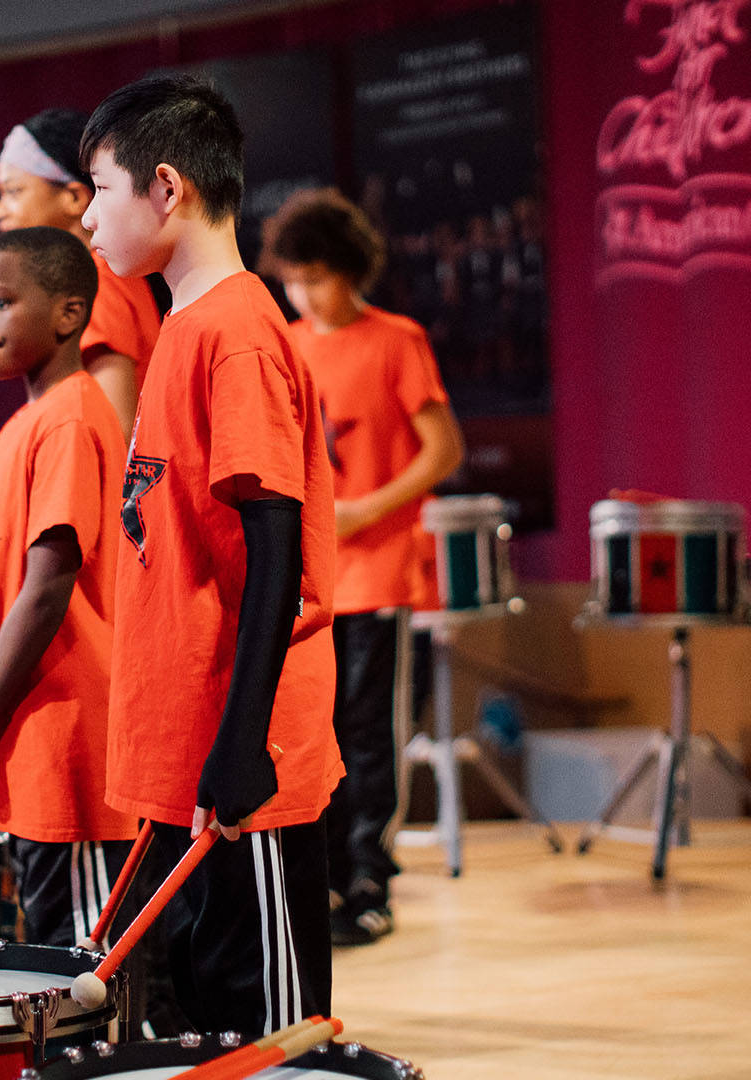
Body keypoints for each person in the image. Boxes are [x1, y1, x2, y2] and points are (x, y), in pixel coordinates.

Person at [79, 73, 342, 1035]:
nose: (89, 221)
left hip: (248, 762)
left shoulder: (235, 333)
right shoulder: (186, 327)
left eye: (97, 191)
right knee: (206, 1021)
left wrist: (242, 741)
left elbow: (279, 542)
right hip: (192, 747)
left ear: (165, 188)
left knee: (269, 1040)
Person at [0, 227, 139, 946]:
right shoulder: (26, 423)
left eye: (3, 301)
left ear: (69, 314)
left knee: (83, 984)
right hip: (30, 747)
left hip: (66, 747)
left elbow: (48, 588)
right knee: (50, 958)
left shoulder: (71, 419)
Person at [264, 188, 465, 945]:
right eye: (293, 278)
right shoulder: (286, 343)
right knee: (312, 733)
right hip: (309, 580)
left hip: (379, 571)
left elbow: (444, 451)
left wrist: (366, 509)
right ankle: (320, 878)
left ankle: (370, 881)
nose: (304, 293)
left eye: (316, 276)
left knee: (370, 733)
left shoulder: (396, 339)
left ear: (350, 271)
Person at [0, 108, 161, 438]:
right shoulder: (99, 275)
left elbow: (115, 433)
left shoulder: (95, 281)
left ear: (73, 198)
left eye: (13, 192)